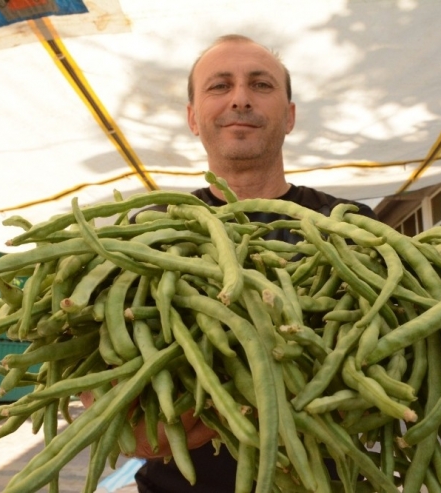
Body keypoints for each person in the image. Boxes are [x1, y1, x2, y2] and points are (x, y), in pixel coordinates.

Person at [88, 34, 378, 493]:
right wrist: (120, 415)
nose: (240, 99)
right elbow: (97, 375)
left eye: (261, 85)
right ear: (192, 117)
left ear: (290, 115)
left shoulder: (350, 227)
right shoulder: (147, 231)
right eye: (219, 86)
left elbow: (393, 371)